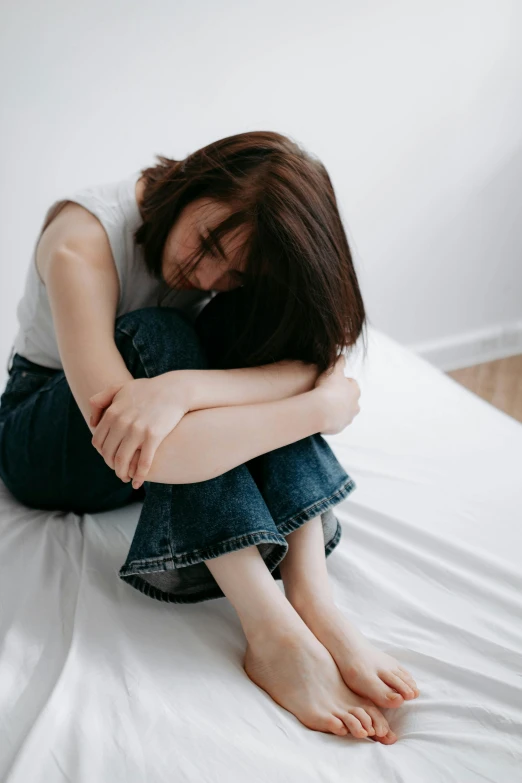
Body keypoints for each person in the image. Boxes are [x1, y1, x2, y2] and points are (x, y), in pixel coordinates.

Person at [0, 130, 419, 743]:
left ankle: (311, 595)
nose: (206, 274)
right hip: (50, 443)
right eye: (210, 242)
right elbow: (148, 451)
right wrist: (314, 408)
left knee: (239, 348)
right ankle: (270, 630)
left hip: (163, 431)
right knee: (160, 334)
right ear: (198, 179)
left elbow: (309, 358)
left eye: (236, 272)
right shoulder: (83, 239)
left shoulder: (226, 276)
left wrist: (188, 391)